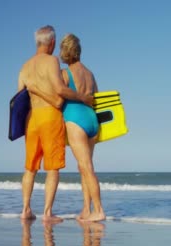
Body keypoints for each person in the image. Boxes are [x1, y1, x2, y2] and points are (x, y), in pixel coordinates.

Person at [17, 25, 94, 222]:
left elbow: (20, 98)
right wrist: (81, 98)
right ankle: (48, 213)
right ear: (51, 43)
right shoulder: (52, 61)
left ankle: (25, 209)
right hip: (50, 116)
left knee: (30, 168)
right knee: (52, 167)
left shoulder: (24, 66)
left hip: (30, 119)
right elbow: (59, 89)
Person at [59, 34, 106, 221]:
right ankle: (87, 209)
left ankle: (99, 210)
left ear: (65, 51)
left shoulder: (64, 73)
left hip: (75, 119)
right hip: (92, 120)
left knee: (86, 167)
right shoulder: (90, 74)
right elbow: (97, 97)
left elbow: (59, 94)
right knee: (85, 168)